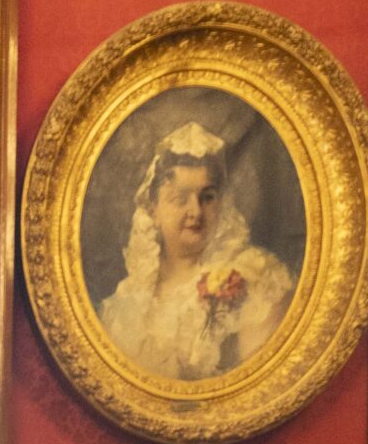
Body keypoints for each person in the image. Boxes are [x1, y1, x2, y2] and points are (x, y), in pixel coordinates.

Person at [94, 121, 295, 382]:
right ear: (153, 209)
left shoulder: (255, 276)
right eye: (180, 198)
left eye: (208, 197)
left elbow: (261, 384)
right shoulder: (124, 305)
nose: (196, 211)